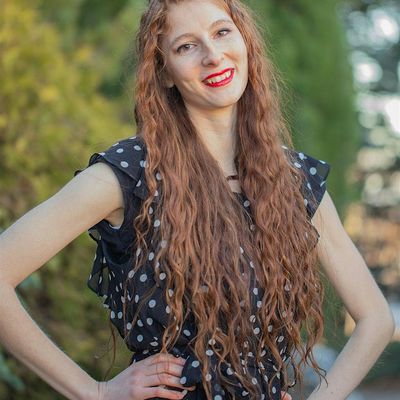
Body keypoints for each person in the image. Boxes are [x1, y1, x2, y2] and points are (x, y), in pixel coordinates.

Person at [0, 0, 395, 399]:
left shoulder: (292, 179)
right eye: (186, 46)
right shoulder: (131, 174)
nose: (212, 55)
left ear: (245, 41)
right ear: (165, 73)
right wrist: (95, 392)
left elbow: (376, 319)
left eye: (221, 32)